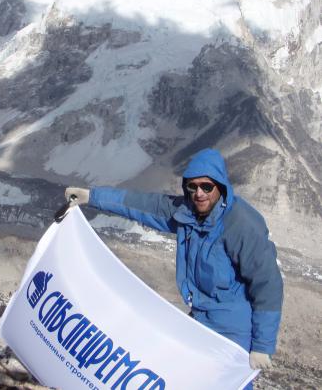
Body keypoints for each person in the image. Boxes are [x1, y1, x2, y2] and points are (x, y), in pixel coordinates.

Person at [65, 148, 283, 387]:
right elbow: (143, 205)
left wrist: (262, 346)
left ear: (220, 186)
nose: (199, 193)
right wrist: (91, 197)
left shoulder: (240, 224)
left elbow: (268, 284)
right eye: (192, 186)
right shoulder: (186, 213)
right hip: (199, 320)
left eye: (206, 186)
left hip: (233, 331)